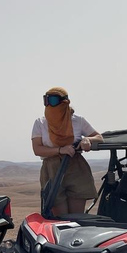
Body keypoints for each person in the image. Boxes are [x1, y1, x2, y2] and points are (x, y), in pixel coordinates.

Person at [31, 87, 103, 216]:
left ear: (65, 102)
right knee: (60, 218)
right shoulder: (40, 123)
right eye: (46, 100)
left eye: (52, 100)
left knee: (76, 218)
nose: (48, 104)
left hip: (75, 167)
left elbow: (99, 137)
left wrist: (87, 139)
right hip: (52, 169)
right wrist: (60, 150)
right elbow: (37, 149)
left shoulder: (78, 120)